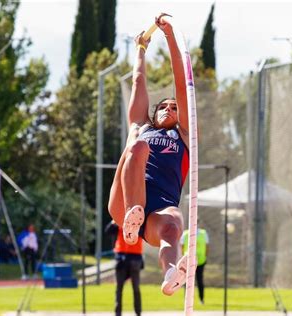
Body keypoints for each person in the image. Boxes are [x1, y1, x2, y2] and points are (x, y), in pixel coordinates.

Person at [108, 13, 190, 296]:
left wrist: (170, 37)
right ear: (154, 113)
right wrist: (141, 48)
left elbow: (182, 85)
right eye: (163, 106)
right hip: (126, 201)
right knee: (137, 143)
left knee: (174, 223)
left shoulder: (184, 136)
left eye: (174, 107)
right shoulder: (142, 126)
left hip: (158, 209)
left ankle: (170, 274)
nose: (169, 108)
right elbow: (139, 81)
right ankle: (133, 214)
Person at [105, 220, 144, 316]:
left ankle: (137, 312)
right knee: (121, 287)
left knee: (134, 287)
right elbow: (108, 231)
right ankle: (119, 313)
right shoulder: (121, 221)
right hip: (123, 257)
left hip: (134, 256)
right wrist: (114, 221)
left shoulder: (137, 221)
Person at [180, 227, 209, 304]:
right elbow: (182, 247)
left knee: (200, 280)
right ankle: (187, 299)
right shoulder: (185, 234)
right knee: (187, 281)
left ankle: (201, 299)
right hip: (188, 262)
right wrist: (184, 259)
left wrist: (205, 256)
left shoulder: (203, 233)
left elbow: (207, 246)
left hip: (200, 261)